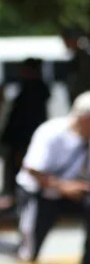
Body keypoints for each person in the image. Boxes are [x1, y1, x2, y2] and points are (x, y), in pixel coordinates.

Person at [15, 91, 90, 264]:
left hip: (70, 193)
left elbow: (88, 175)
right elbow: (32, 169)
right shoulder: (52, 132)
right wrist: (62, 187)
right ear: (85, 118)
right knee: (29, 251)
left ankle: (88, 261)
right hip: (40, 192)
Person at [1, 58, 51, 197]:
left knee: (21, 173)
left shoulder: (34, 90)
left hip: (23, 140)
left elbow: (27, 119)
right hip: (21, 139)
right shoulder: (30, 88)